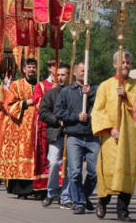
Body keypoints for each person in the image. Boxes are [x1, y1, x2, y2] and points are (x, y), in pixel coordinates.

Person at [92, 50, 136, 221]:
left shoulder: (134, 85)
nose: (125, 66)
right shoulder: (105, 86)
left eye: (128, 63)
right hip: (111, 138)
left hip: (130, 138)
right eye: (122, 63)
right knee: (108, 172)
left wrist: (125, 97)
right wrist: (110, 129)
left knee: (127, 173)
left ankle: (122, 212)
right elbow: (98, 111)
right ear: (114, 65)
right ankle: (103, 201)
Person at [54, 61, 98, 214]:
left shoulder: (96, 90)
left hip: (92, 136)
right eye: (81, 70)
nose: (84, 73)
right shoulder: (67, 92)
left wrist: (90, 94)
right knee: (74, 172)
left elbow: (100, 107)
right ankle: (79, 203)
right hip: (74, 136)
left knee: (95, 172)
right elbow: (59, 112)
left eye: (87, 70)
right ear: (74, 73)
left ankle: (83, 196)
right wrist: (76, 117)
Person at [0, 58, 38, 199]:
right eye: (29, 67)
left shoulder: (40, 86)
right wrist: (27, 102)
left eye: (34, 67)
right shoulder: (16, 85)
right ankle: (21, 190)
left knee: (36, 157)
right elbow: (9, 105)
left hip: (37, 128)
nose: (31, 69)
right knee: (20, 157)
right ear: (24, 69)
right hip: (19, 128)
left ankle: (36, 189)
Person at [40, 64, 72, 209]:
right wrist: (57, 120)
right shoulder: (51, 93)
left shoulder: (74, 92)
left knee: (70, 168)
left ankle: (65, 196)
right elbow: (43, 112)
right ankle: (51, 192)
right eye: (58, 75)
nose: (60, 78)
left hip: (71, 134)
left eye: (63, 75)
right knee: (53, 163)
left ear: (69, 75)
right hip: (55, 134)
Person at [33, 60, 57, 196]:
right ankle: (43, 186)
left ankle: (59, 186)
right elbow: (38, 103)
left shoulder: (65, 85)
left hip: (60, 125)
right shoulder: (41, 85)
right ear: (49, 68)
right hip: (44, 125)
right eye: (54, 66)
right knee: (44, 156)